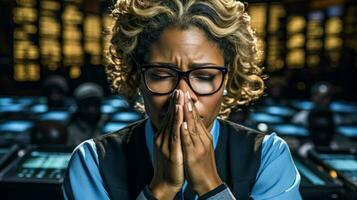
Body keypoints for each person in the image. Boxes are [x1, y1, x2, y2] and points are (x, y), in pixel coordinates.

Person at [62, 1, 301, 199]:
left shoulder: (268, 156)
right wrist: (162, 188)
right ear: (136, 76)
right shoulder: (93, 161)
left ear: (228, 79)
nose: (183, 97)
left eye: (205, 76)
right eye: (161, 75)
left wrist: (210, 185)